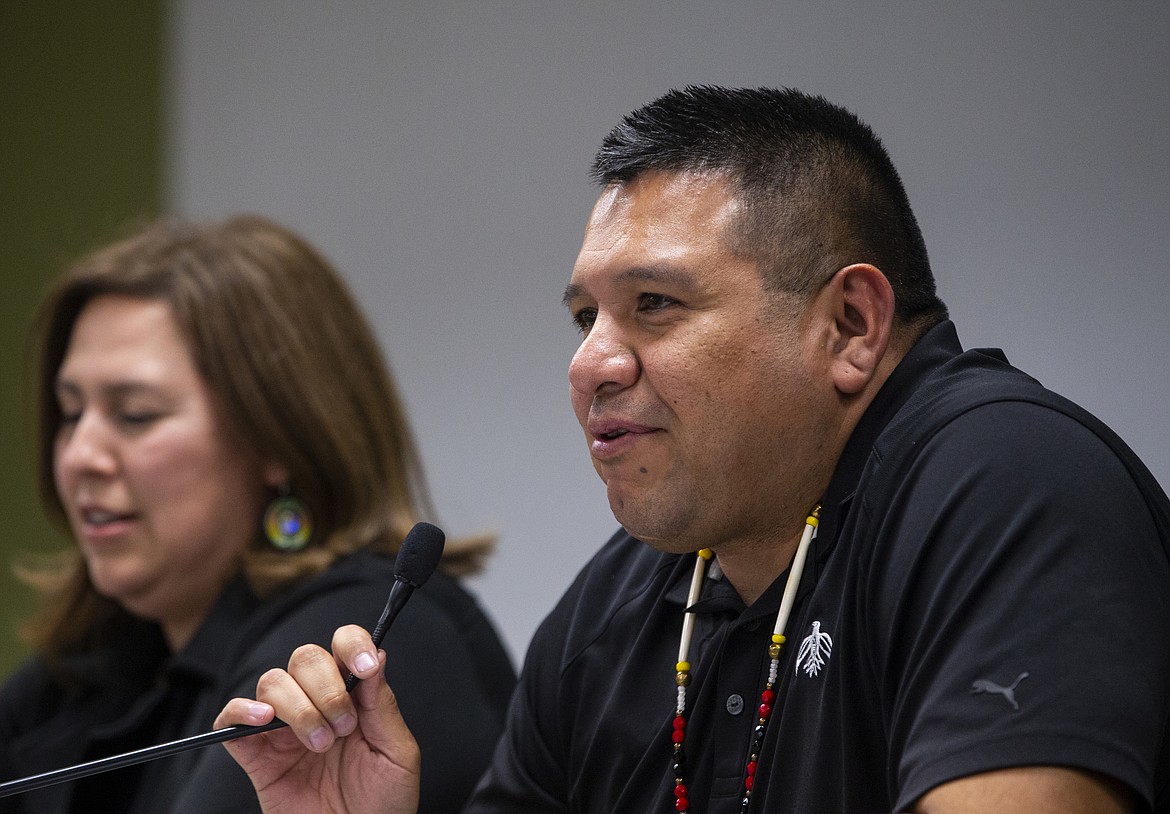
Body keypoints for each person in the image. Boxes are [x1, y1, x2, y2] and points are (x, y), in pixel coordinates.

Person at [215, 87, 1170, 813]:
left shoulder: (1008, 488)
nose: (590, 363)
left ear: (849, 323)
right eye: (586, 316)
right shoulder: (615, 608)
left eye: (655, 306)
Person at [0, 215, 516, 813]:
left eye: (135, 414)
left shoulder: (356, 639)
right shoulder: (97, 663)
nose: (80, 455)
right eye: (70, 414)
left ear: (275, 436)